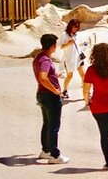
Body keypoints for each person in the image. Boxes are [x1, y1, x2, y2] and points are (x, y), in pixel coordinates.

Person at [33, 34, 69, 164]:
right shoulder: (45, 60)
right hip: (50, 96)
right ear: (52, 46)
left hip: (42, 94)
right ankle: (54, 155)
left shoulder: (38, 57)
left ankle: (46, 150)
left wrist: (55, 75)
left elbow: (44, 76)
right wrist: (55, 90)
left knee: (47, 123)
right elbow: (43, 77)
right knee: (54, 126)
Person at [59, 18, 86, 99]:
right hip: (69, 59)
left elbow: (76, 45)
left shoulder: (76, 34)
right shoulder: (64, 35)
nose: (75, 28)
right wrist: (69, 43)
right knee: (69, 76)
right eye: (74, 26)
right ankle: (65, 90)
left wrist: (83, 45)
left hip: (78, 58)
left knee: (83, 75)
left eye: (77, 27)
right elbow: (61, 46)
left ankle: (86, 92)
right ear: (70, 26)